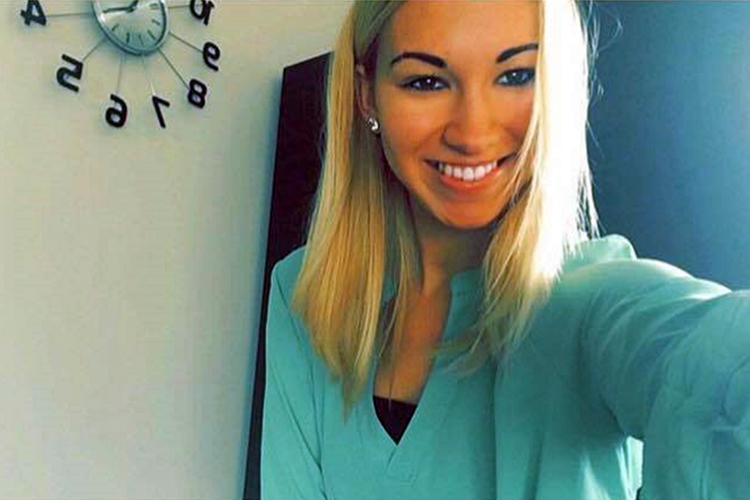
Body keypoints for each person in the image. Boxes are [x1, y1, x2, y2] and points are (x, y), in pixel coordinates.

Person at [261, 1, 750, 499]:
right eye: (426, 81)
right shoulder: (304, 294)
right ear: (367, 97)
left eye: (516, 75)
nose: (472, 134)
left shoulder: (586, 300)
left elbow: (714, 371)